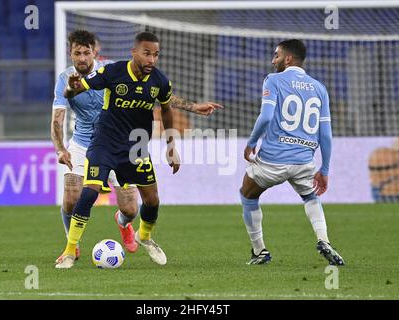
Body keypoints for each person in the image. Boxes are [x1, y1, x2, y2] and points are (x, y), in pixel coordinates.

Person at [54, 31, 216, 269]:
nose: (151, 59)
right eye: (147, 54)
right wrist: (71, 89)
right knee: (88, 193)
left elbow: (168, 106)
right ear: (134, 53)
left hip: (136, 147)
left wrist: (172, 145)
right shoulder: (113, 72)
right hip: (103, 143)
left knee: (149, 202)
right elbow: (77, 88)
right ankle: (69, 251)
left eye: (156, 55)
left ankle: (144, 236)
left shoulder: (159, 81)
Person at [239, 39, 344, 266]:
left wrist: (251, 142)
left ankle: (260, 252)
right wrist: (324, 169)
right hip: (305, 160)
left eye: (275, 55)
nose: (272, 60)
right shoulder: (319, 88)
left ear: (288, 59)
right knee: (311, 197)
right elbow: (325, 135)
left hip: (273, 160)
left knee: (247, 194)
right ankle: (324, 240)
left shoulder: (274, 80)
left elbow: (266, 117)